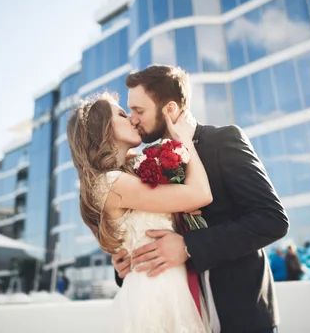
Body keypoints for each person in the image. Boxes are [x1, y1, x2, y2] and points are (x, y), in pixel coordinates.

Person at [112, 65, 289, 333]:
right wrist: (126, 263)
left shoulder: (223, 140)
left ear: (169, 109)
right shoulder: (146, 163)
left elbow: (272, 220)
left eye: (139, 110)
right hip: (179, 317)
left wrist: (189, 246)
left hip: (241, 317)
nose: (133, 119)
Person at [67, 91, 213, 331]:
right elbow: (201, 195)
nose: (133, 119)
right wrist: (185, 140)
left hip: (167, 286)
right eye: (123, 114)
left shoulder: (127, 175)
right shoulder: (110, 183)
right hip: (155, 294)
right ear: (101, 128)